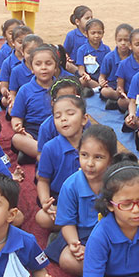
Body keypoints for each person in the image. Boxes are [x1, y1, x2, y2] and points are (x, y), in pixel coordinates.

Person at [45, 124, 116, 276]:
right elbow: (67, 222)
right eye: (84, 155)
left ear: (111, 160)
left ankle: (97, 274)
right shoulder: (71, 185)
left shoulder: (118, 184)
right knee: (68, 260)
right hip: (81, 234)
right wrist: (74, 244)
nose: (89, 163)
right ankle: (104, 275)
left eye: (98, 157)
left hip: (112, 234)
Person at [36, 95, 88, 230]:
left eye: (70, 113)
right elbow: (43, 181)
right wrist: (45, 202)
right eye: (57, 116)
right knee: (42, 217)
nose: (63, 119)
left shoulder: (94, 144)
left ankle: (68, 228)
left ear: (84, 119)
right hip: (61, 199)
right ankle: (72, 228)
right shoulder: (50, 148)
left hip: (89, 198)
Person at [10, 46, 60, 161]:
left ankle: (35, 155)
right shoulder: (24, 90)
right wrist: (17, 126)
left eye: (48, 63)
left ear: (56, 67)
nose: (43, 68)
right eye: (38, 64)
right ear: (32, 68)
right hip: (33, 132)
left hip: (57, 129)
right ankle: (50, 156)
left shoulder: (62, 88)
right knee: (17, 139)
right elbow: (17, 117)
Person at [100, 23, 133, 108]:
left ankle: (118, 102)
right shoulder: (109, 57)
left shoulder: (134, 57)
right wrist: (102, 81)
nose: (123, 43)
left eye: (126, 40)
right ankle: (117, 98)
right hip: (113, 86)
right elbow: (102, 76)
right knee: (105, 91)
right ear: (115, 40)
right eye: (120, 40)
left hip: (129, 86)